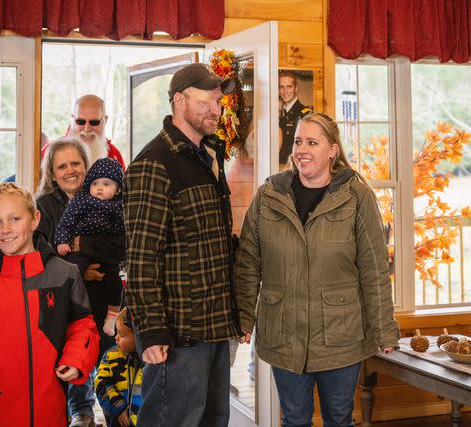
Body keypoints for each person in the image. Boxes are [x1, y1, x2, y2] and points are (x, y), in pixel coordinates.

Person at [234, 112, 399, 427]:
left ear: (332, 150)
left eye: (312, 142)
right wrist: (244, 317)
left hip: (341, 334)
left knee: (339, 418)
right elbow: (248, 263)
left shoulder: (356, 196)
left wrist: (384, 329)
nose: (302, 149)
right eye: (298, 141)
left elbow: (374, 268)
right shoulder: (269, 195)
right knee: (295, 420)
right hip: (284, 332)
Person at [123, 62, 240, 427]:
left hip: (216, 328)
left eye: (219, 102)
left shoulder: (207, 157)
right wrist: (152, 330)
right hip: (177, 336)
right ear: (179, 100)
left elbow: (213, 246)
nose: (215, 111)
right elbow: (142, 259)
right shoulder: (153, 164)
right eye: (206, 101)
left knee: (213, 421)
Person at [0, 182, 99, 426]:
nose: (5, 229)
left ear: (35, 220)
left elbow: (83, 325)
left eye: (15, 218)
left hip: (50, 413)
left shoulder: (65, 274)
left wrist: (76, 359)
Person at [36, 138, 126, 427]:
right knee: (74, 357)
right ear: (52, 173)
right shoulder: (44, 206)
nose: (70, 170)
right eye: (62, 166)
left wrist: (83, 243)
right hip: (66, 298)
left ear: (87, 168)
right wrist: (80, 271)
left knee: (109, 356)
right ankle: (81, 413)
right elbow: (43, 254)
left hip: (106, 294)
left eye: (76, 163)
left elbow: (121, 247)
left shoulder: (109, 198)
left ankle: (117, 413)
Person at [55, 157, 125, 336]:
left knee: (114, 281)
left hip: (108, 259)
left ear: (118, 190)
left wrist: (89, 245)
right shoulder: (82, 200)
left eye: (106, 184)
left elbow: (125, 240)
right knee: (74, 270)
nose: (100, 188)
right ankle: (65, 310)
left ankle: (113, 313)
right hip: (80, 258)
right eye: (95, 183)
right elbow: (66, 224)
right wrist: (62, 241)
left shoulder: (120, 206)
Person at [41, 94, 125, 170]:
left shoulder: (114, 156)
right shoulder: (49, 153)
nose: (87, 129)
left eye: (94, 122)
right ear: (73, 118)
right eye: (80, 122)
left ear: (105, 120)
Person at [95, 307, 143, 427]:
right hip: (118, 420)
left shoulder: (154, 361)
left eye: (122, 334)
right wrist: (119, 408)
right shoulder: (110, 356)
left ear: (139, 336)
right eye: (117, 332)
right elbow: (101, 383)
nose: (116, 338)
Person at [278, 71, 311, 166]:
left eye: (289, 87)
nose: (285, 92)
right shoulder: (277, 112)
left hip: (293, 167)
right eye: (281, 87)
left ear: (296, 89)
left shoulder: (304, 114)